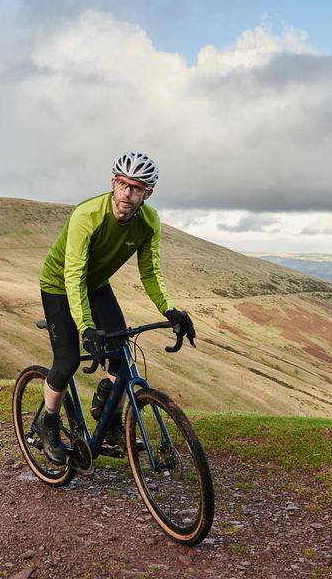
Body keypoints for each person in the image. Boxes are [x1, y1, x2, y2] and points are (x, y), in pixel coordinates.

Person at [36, 151, 196, 462]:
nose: (127, 193)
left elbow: (150, 271)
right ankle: (49, 424)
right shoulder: (87, 216)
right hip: (59, 285)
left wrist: (171, 310)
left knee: (122, 354)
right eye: (122, 184)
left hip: (96, 286)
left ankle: (108, 420)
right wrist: (86, 327)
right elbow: (74, 274)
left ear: (147, 193)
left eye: (136, 188)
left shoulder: (149, 222)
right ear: (113, 182)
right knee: (67, 360)